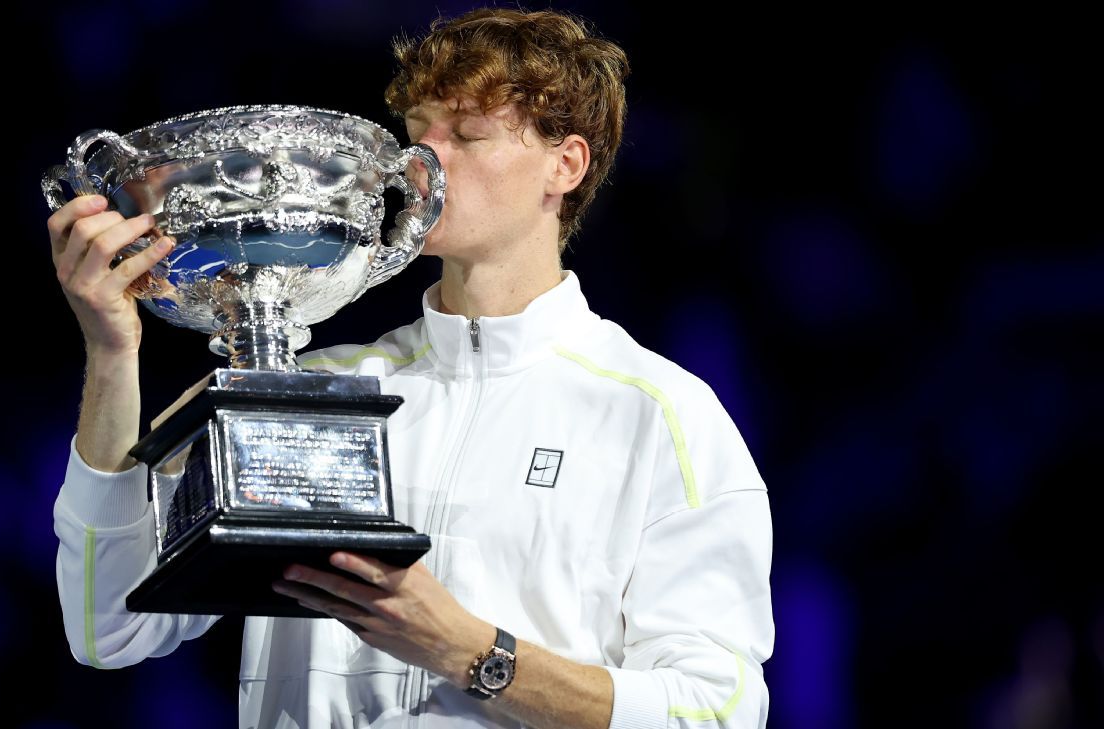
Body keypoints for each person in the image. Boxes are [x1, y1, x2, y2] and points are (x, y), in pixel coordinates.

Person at [47, 7, 774, 728]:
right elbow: (108, 627)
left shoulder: (659, 415)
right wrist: (113, 354)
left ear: (566, 164)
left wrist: (471, 650)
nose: (422, 165)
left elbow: (716, 711)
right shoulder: (310, 391)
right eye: (418, 131)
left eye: (466, 134)